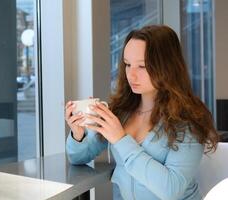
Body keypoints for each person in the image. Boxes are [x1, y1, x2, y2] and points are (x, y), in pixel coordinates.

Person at [64, 25, 219, 200]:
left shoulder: (188, 120)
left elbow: (171, 190)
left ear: (166, 67)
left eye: (142, 66)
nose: (131, 75)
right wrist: (78, 134)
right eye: (127, 64)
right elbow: (77, 158)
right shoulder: (121, 112)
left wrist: (121, 140)